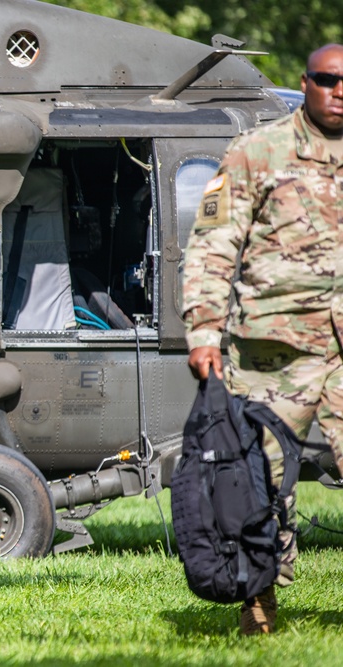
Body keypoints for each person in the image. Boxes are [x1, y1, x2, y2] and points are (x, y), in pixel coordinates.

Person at [182, 43, 343, 635]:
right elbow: (213, 243)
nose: (340, 90)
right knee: (262, 480)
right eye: (329, 79)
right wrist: (203, 329)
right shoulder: (257, 150)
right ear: (306, 83)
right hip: (275, 346)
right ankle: (259, 599)